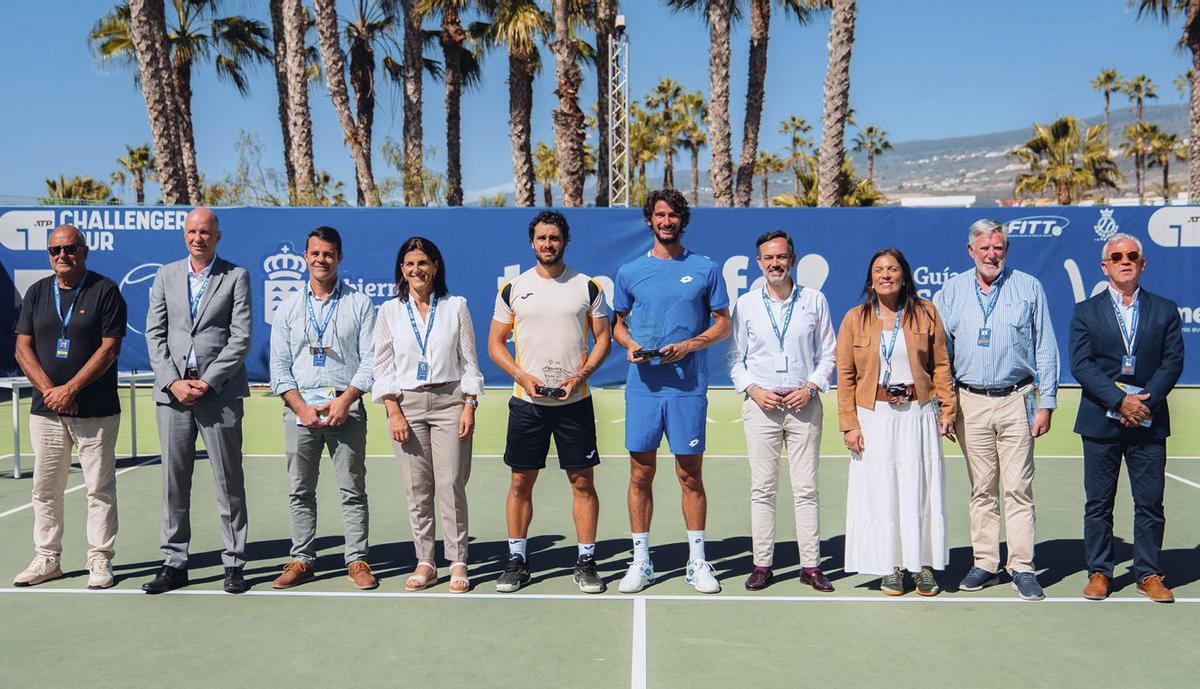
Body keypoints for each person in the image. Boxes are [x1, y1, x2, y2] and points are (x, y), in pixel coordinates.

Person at [612, 188, 732, 594]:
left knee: (689, 475)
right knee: (640, 473)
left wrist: (690, 345)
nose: (666, 221)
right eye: (659, 215)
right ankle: (642, 561)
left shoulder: (706, 268)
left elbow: (722, 324)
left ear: (682, 221)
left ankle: (697, 561)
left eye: (673, 215)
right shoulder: (629, 272)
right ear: (650, 220)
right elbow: (618, 325)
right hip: (643, 389)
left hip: (688, 389)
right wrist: (630, 347)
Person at [934, 219, 1059, 601]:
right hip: (969, 401)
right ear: (970, 251)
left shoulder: (1028, 287)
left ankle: (1021, 566)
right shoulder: (951, 291)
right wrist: (946, 405)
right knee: (982, 489)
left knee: (1018, 488)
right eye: (984, 248)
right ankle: (985, 563)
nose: (992, 255)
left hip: (1016, 399)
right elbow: (941, 354)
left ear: (1006, 251)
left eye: (998, 248)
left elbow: (1045, 348)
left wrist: (1047, 403)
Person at [487, 211, 612, 594]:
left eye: (554, 238)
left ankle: (586, 561)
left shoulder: (587, 286)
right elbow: (494, 345)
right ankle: (517, 560)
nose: (547, 244)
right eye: (541, 238)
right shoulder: (514, 288)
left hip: (575, 402)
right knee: (521, 482)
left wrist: (582, 375)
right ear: (532, 242)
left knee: (582, 482)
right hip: (527, 404)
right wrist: (522, 376)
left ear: (564, 241)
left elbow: (603, 338)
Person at [143, 207, 253, 595]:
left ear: (217, 236)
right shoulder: (165, 275)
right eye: (192, 231)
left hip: (218, 395)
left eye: (205, 232)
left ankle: (234, 562)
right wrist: (173, 382)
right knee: (174, 483)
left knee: (229, 481)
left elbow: (240, 338)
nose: (198, 238)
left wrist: (205, 382)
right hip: (172, 398)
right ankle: (175, 562)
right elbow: (154, 336)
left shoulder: (236, 276)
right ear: (184, 235)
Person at [1069, 233, 1184, 603]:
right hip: (1102, 420)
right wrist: (1121, 401)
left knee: (1150, 501)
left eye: (1132, 255)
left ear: (1142, 263)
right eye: (1116, 256)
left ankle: (1148, 573)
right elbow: (1082, 365)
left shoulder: (1165, 310)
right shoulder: (1085, 311)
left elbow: (1172, 362)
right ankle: (1100, 572)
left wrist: (1144, 403)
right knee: (1099, 503)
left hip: (1149, 420)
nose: (1125, 260)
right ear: (1105, 266)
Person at [12, 225, 127, 589]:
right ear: (49, 255)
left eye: (70, 248)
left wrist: (72, 388)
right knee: (45, 489)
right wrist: (52, 392)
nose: (62, 255)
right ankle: (48, 558)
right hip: (47, 413)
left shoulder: (105, 290)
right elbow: (22, 348)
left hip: (95, 411)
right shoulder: (36, 293)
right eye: (55, 250)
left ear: (84, 250)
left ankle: (99, 560)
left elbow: (109, 349)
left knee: (99, 488)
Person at [837, 248, 956, 596]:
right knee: (882, 492)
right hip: (873, 417)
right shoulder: (854, 318)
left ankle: (922, 567)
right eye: (878, 270)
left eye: (892, 269)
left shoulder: (926, 313)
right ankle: (891, 567)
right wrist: (849, 424)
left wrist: (947, 409)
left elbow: (942, 365)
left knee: (918, 489)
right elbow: (844, 375)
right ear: (870, 279)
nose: (885, 274)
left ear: (904, 274)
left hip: (917, 416)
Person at [268, 227, 378, 590]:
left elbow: (370, 361)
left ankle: (357, 559)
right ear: (305, 257)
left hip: (346, 410)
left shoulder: (359, 304)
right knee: (300, 490)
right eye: (315, 253)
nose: (321, 260)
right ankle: (301, 559)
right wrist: (300, 407)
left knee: (352, 489)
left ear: (339, 258)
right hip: (300, 413)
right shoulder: (287, 307)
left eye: (328, 254)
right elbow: (279, 367)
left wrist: (345, 400)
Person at [728, 230, 836, 592]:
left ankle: (811, 565)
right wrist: (754, 390)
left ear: (792, 260)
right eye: (768, 258)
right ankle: (762, 564)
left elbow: (829, 355)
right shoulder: (745, 305)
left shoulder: (815, 301)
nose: (775, 263)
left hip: (804, 405)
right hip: (762, 406)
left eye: (782, 257)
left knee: (806, 488)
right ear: (759, 263)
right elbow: (735, 360)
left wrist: (811, 387)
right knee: (763, 488)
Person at [373, 237, 481, 593]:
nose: (416, 270)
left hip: (451, 402)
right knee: (417, 488)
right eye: (409, 264)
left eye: (422, 263)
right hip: (407, 405)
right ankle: (425, 561)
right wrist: (393, 411)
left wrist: (469, 404)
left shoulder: (456, 306)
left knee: (451, 484)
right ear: (401, 270)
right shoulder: (388, 311)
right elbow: (383, 366)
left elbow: (469, 362)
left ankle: (458, 560)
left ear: (435, 266)